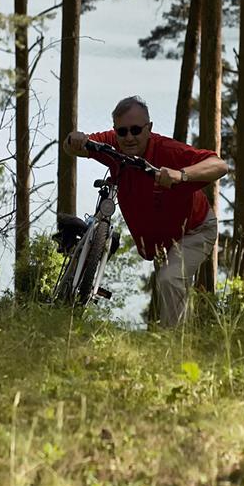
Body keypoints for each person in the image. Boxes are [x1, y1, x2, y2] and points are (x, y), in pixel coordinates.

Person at [63, 95, 229, 327]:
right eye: (122, 132)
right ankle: (66, 302)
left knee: (170, 279)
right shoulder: (114, 145)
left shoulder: (168, 151)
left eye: (136, 130)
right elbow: (74, 148)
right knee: (167, 285)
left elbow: (220, 165)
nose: (129, 137)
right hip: (159, 239)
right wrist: (75, 139)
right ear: (116, 131)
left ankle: (174, 349)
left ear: (149, 128)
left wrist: (181, 175)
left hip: (195, 230)